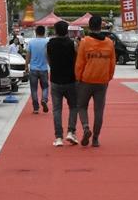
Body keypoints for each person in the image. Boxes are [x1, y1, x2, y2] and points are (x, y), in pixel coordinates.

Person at [75, 15, 116, 147]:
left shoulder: (84, 42)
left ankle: (86, 127)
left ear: (89, 26)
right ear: (101, 26)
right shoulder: (109, 43)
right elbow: (112, 63)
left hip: (86, 80)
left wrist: (78, 78)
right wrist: (108, 77)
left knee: (82, 106)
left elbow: (79, 63)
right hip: (102, 80)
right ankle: (96, 139)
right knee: (99, 110)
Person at [47, 20, 80, 146]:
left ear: (55, 31)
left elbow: (48, 60)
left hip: (55, 80)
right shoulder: (73, 44)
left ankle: (58, 137)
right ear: (67, 31)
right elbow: (77, 60)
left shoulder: (50, 44)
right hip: (71, 80)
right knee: (74, 107)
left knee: (57, 109)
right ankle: (71, 131)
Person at [26, 25, 50, 114]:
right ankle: (44, 99)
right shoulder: (47, 42)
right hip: (44, 69)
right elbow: (49, 55)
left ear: (36, 32)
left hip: (33, 69)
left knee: (34, 89)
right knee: (45, 87)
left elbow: (28, 55)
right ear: (44, 32)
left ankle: (36, 108)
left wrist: (26, 66)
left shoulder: (31, 42)